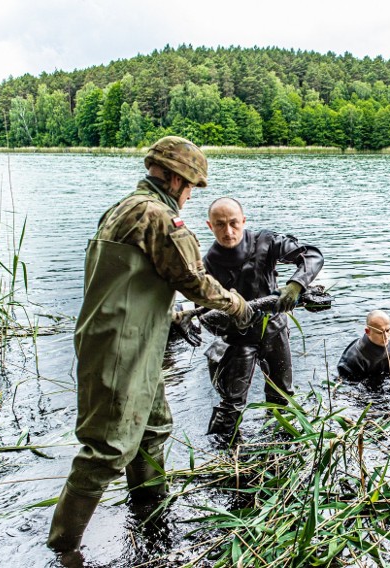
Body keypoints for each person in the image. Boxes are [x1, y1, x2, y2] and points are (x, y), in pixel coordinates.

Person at [47, 137, 256, 553]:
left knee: (154, 427)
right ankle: (62, 549)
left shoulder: (123, 207)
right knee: (105, 450)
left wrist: (169, 315)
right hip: (122, 347)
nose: (192, 195)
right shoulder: (159, 216)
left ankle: (150, 510)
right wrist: (237, 305)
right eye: (192, 186)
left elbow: (128, 281)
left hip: (122, 337)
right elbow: (193, 280)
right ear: (176, 178)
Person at [202, 197, 324, 437]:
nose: (228, 231)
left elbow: (312, 256)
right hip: (237, 340)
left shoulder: (265, 242)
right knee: (231, 406)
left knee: (281, 397)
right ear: (210, 226)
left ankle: (282, 448)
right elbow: (207, 318)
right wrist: (234, 316)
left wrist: (296, 284)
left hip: (275, 331)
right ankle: (224, 458)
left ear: (244, 221)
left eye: (234, 223)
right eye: (220, 224)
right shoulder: (206, 266)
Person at [337, 310, 390, 380]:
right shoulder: (353, 358)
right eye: (380, 332)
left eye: (388, 330)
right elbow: (350, 387)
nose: (386, 336)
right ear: (368, 332)